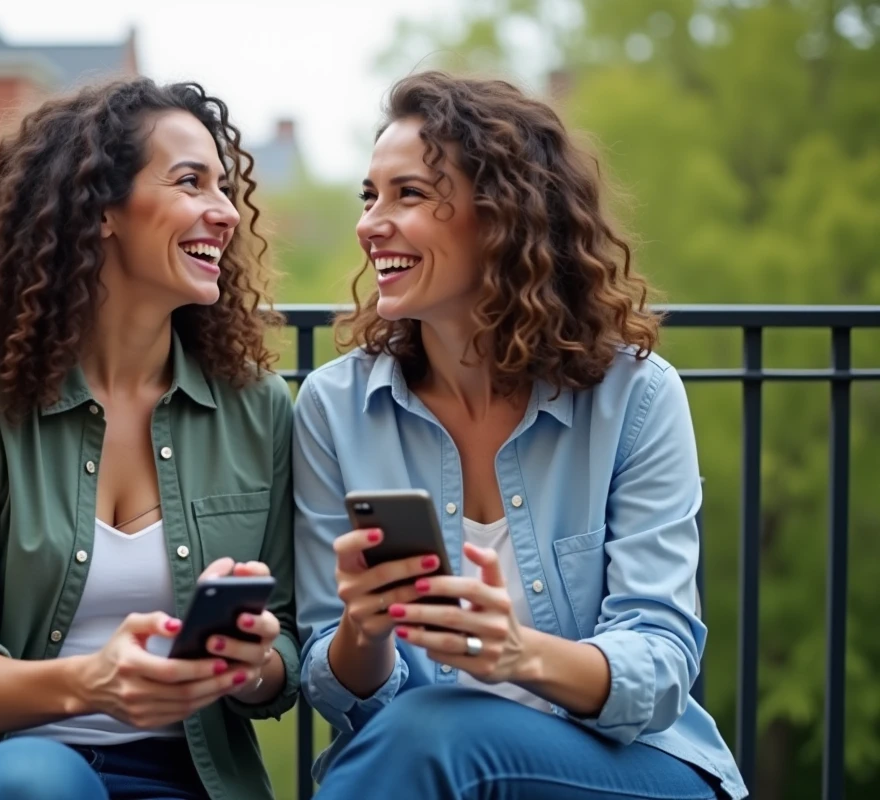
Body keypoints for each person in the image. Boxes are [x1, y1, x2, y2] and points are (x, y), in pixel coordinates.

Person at [292, 71, 747, 800]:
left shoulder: (634, 396)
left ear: (503, 216)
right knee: (423, 733)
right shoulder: (335, 407)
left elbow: (661, 662)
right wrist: (363, 630)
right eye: (369, 196)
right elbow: (335, 687)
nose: (371, 223)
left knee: (433, 733)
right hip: (425, 762)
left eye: (409, 194)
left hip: (631, 768)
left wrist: (515, 654)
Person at [0, 77, 299, 800]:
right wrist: (90, 683)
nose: (224, 212)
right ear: (101, 210)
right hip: (2, 767)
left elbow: (287, 644)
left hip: (185, 777)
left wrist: (250, 665)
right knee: (42, 782)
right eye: (191, 182)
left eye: (224, 187)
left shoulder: (256, 406)